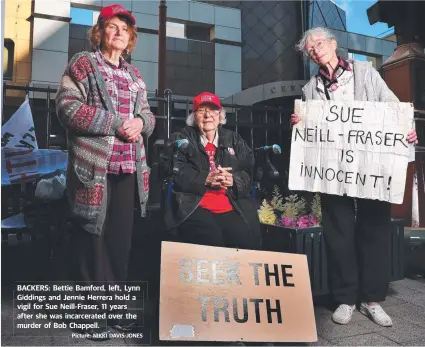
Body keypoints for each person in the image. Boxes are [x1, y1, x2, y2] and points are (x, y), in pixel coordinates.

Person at [292, 27, 418, 327]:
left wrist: (405, 128)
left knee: (374, 229)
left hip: (370, 167)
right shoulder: (310, 88)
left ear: (334, 44)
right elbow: (310, 131)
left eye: (319, 44)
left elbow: (392, 106)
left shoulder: (365, 73)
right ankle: (346, 298)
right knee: (339, 233)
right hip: (334, 171)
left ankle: (372, 299)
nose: (315, 50)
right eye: (310, 49)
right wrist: (300, 121)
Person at [55, 4, 156, 340]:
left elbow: (149, 117)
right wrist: (116, 124)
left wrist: (141, 122)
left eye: (124, 30)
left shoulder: (135, 75)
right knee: (91, 237)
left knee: (119, 240)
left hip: (129, 167)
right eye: (111, 27)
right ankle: (88, 314)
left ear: (130, 39)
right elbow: (68, 108)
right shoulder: (83, 63)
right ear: (100, 32)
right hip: (94, 167)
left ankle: (113, 307)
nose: (118, 34)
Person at [161, 92, 261, 250]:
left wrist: (234, 180)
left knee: (244, 238)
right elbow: (172, 170)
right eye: (202, 110)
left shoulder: (234, 140)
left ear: (220, 115)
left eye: (213, 110)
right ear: (194, 116)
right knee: (211, 238)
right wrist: (204, 179)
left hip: (231, 202)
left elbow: (251, 171)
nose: (208, 115)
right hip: (195, 204)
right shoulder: (181, 138)